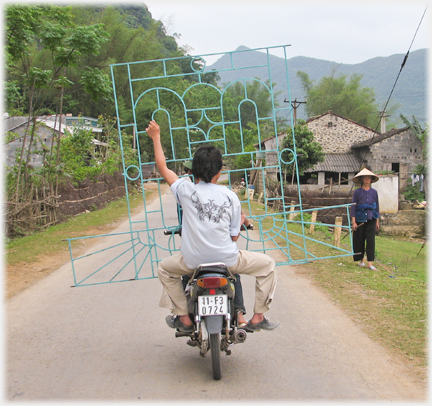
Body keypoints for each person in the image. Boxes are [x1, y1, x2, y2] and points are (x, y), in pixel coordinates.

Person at [146, 120, 278, 332]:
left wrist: (156, 137)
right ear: (219, 171)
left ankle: (184, 318)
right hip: (227, 261)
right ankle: (258, 317)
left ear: (194, 170)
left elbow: (162, 167)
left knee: (164, 269)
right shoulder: (230, 196)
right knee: (268, 265)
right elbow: (234, 237)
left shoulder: (185, 190)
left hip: (192, 263)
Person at [350, 168, 380, 270]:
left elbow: (377, 207)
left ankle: (370, 263)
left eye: (369, 178)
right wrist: (353, 221)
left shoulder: (374, 192)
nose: (367, 180)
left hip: (371, 218)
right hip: (360, 218)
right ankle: (361, 260)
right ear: (362, 179)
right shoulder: (357, 192)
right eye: (365, 178)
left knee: (371, 240)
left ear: (371, 180)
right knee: (360, 239)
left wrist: (377, 221)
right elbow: (353, 206)